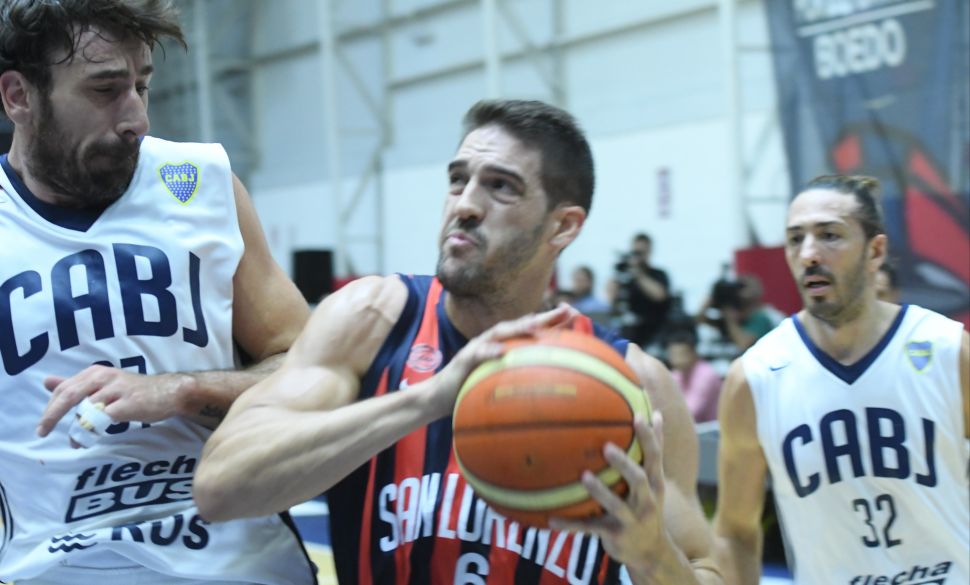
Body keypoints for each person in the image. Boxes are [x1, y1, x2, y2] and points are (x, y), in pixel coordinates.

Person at [195, 99, 723, 585]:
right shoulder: (371, 321)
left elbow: (708, 570)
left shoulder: (635, 384)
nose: (465, 204)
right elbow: (219, 488)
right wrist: (426, 399)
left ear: (563, 227)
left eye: (501, 187)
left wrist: (655, 556)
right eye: (457, 179)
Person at [0, 2, 315, 584]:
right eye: (105, 90)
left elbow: (314, 366)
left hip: (235, 559)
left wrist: (184, 390)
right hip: (60, 568)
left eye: (142, 85)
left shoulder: (202, 184)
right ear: (18, 96)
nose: (137, 119)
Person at [713, 175, 969, 584]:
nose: (809, 253)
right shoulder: (755, 377)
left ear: (875, 251)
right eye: (796, 239)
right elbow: (735, 532)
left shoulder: (948, 351)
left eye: (829, 235)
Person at [608, 233, 671, 348]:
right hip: (627, 331)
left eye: (641, 253)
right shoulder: (623, 275)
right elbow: (611, 301)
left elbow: (659, 295)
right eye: (634, 252)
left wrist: (638, 273)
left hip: (653, 331)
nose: (637, 256)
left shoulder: (658, 274)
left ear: (649, 252)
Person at [696, 273, 777, 355]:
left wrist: (730, 320)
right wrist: (709, 301)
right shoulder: (732, 320)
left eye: (743, 287)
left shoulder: (761, 317)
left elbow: (744, 344)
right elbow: (699, 319)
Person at [665, 329, 722, 423]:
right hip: (691, 425)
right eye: (673, 354)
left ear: (693, 352)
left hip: (711, 427)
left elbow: (692, 412)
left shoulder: (706, 375)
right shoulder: (676, 374)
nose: (677, 359)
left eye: (681, 354)